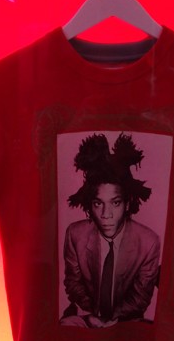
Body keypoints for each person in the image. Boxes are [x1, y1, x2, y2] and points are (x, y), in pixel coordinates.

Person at [60, 133, 161, 328]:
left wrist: (112, 321)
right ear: (90, 205)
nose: (106, 214)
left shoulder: (149, 242)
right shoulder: (75, 234)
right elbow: (73, 283)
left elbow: (140, 296)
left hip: (127, 321)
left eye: (115, 203)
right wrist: (91, 316)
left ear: (127, 203)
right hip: (86, 317)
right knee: (66, 326)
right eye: (98, 204)